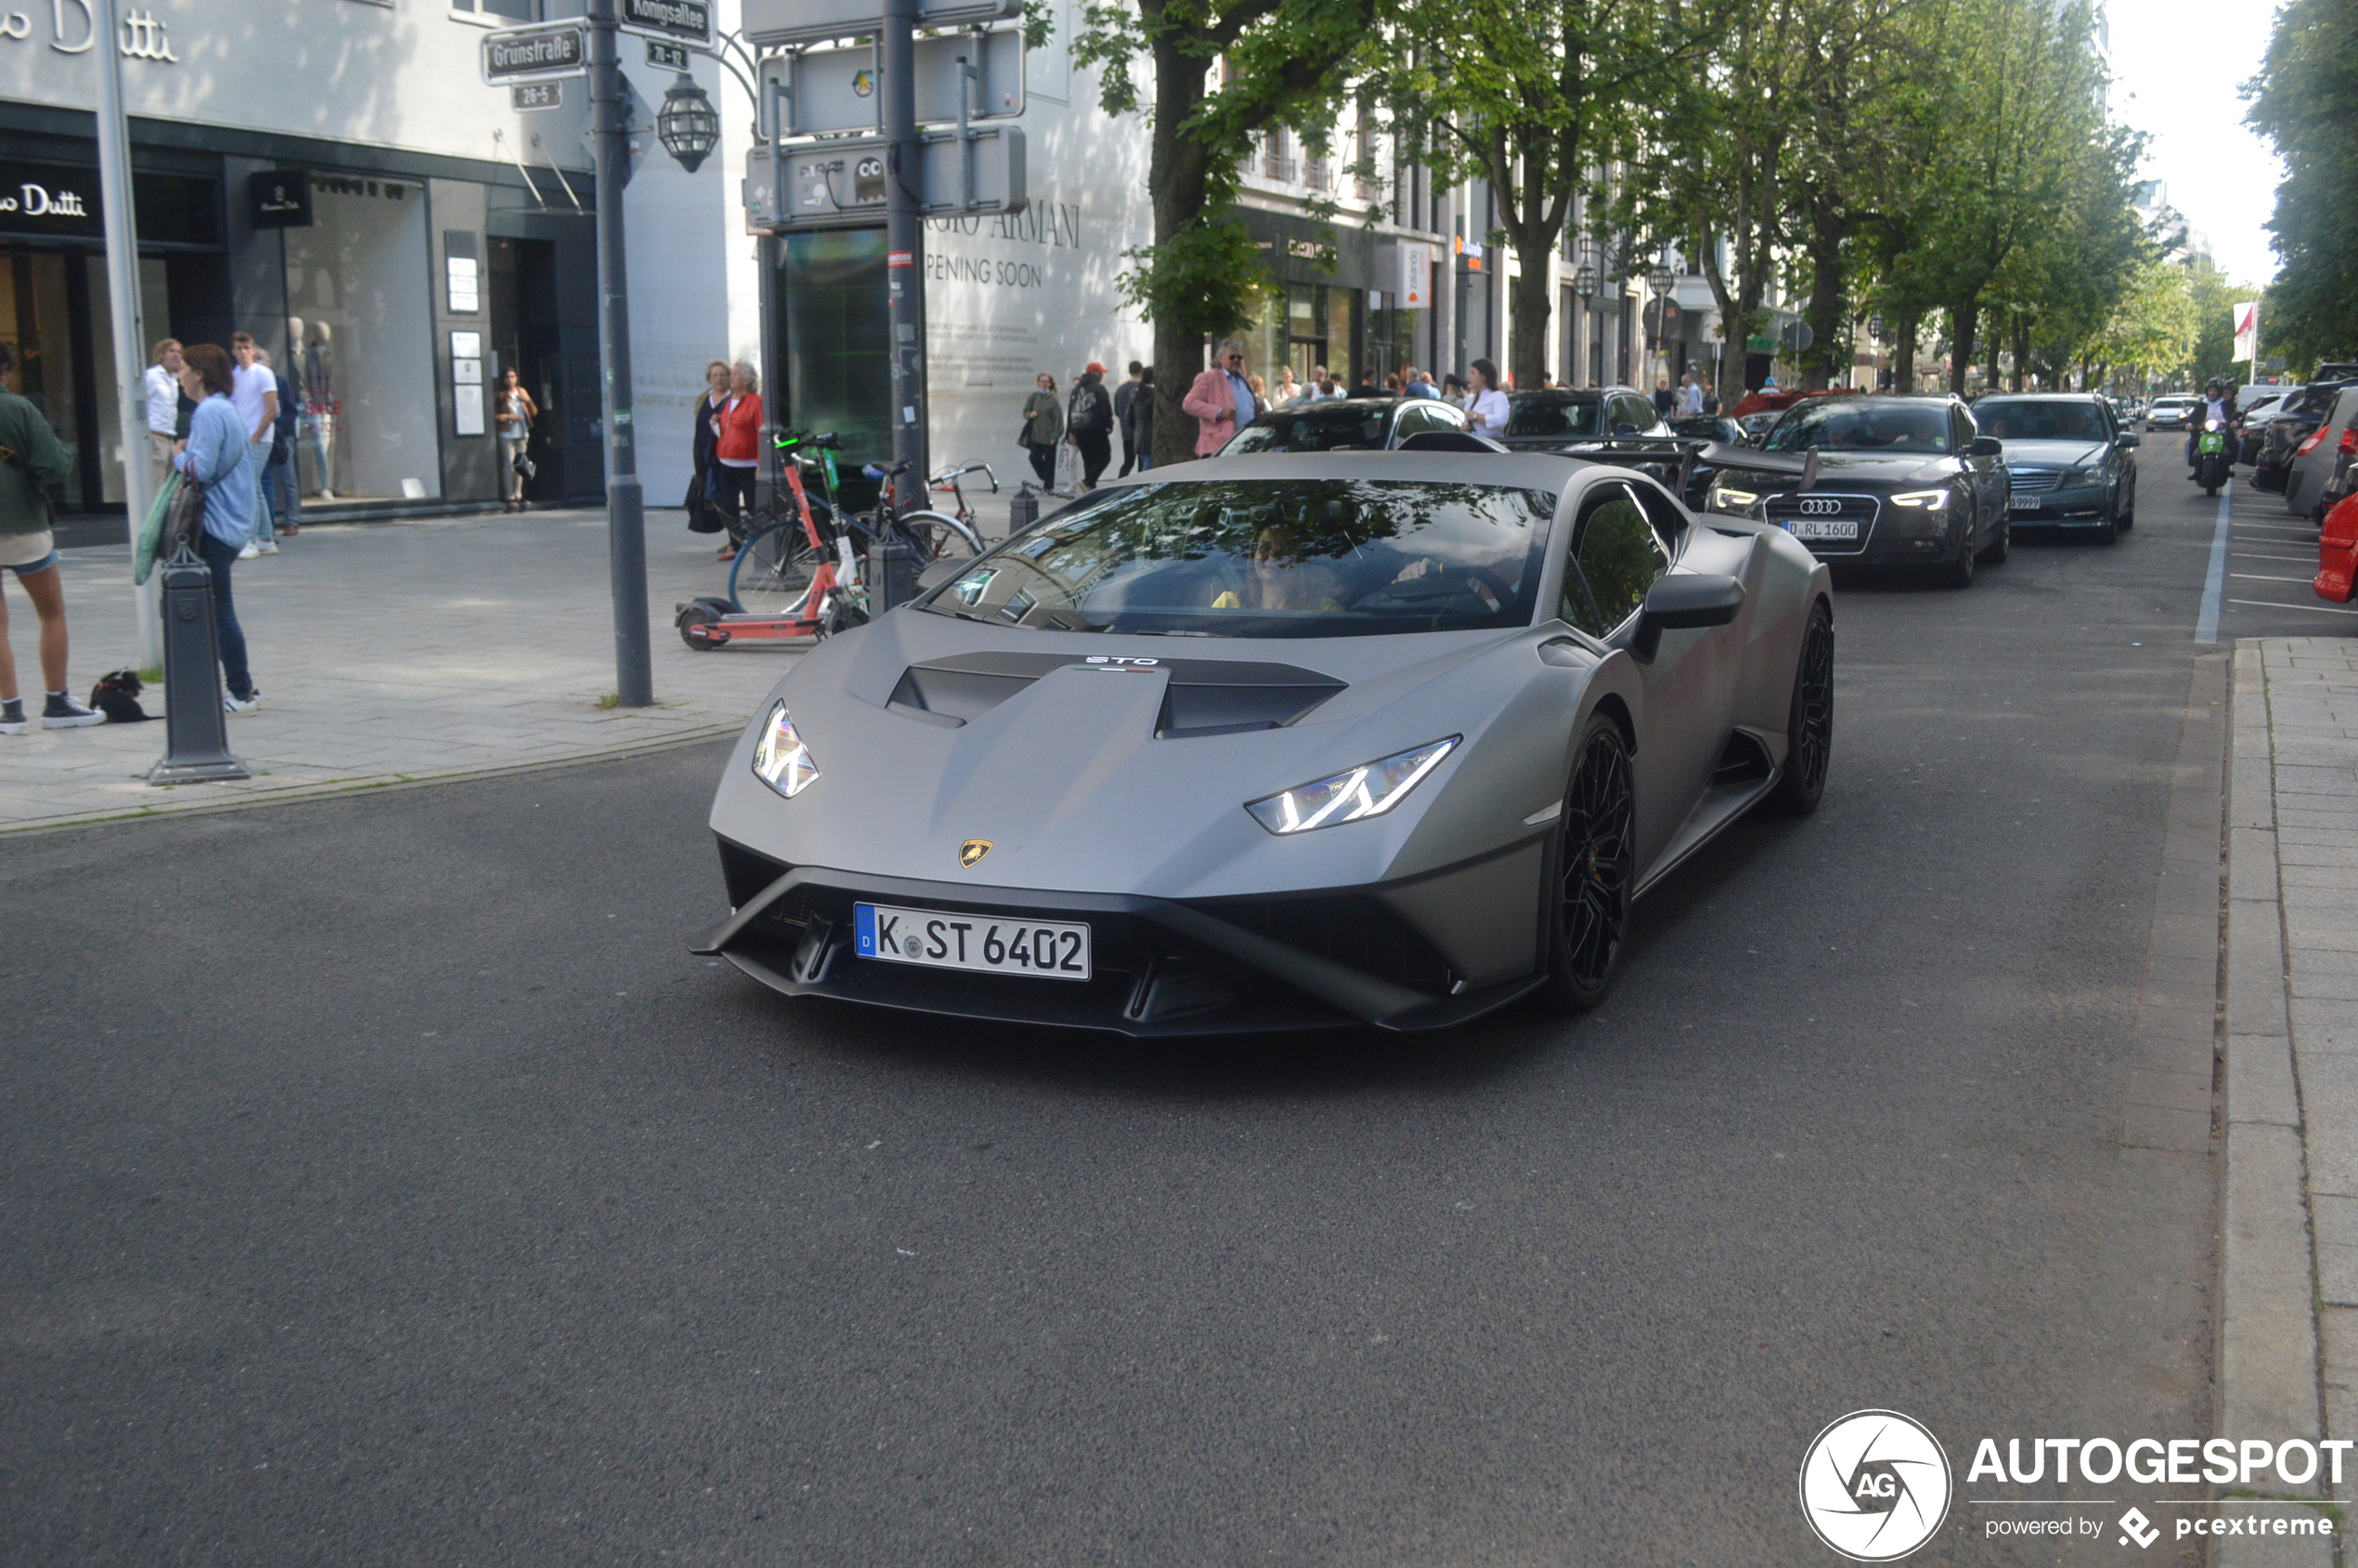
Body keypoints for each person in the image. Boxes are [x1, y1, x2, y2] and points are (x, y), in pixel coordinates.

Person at [0, 342, 102, 734]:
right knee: (51, 612)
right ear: (6, 369)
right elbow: (54, 464)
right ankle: (56, 703)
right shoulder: (20, 408)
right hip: (24, 524)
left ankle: (10, 712)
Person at [173, 343, 261, 713]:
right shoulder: (225, 409)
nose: (178, 376)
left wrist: (179, 453)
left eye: (182, 369)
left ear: (199, 374)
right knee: (217, 606)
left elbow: (199, 470)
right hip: (232, 520)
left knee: (219, 608)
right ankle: (237, 689)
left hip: (215, 523)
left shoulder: (209, 411)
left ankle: (241, 692)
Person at [228, 332, 279, 558]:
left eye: (246, 347)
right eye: (238, 348)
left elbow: (271, 408)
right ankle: (266, 538)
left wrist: (257, 435)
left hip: (259, 439)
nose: (243, 352)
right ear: (233, 351)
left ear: (253, 350)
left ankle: (248, 540)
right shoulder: (234, 375)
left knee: (247, 487)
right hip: (242, 438)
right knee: (255, 487)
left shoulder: (263, 373)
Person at [710, 361, 762, 560]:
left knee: (754, 508)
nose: (730, 378)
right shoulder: (728, 400)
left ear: (747, 379)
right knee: (727, 506)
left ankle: (760, 543)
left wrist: (760, 462)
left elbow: (761, 432)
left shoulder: (755, 401)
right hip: (726, 462)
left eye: (734, 374)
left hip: (748, 465)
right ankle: (736, 545)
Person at [1183, 340, 1261, 456]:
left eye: (1239, 357)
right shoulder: (1209, 378)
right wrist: (1219, 412)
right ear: (1220, 358)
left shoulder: (1243, 379)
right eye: (1232, 357)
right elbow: (1189, 404)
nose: (1236, 360)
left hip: (1245, 444)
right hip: (1218, 447)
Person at [255, 347, 301, 538]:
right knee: (264, 481)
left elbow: (291, 410)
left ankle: (292, 520)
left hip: (281, 436)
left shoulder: (279, 381)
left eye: (260, 358)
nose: (256, 361)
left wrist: (280, 429)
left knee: (287, 479)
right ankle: (268, 524)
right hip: (262, 435)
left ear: (269, 362)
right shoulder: (250, 382)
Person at [687, 358, 729, 532]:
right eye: (714, 375)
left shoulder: (732, 399)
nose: (718, 379)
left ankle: (735, 541)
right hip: (704, 455)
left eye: (722, 375)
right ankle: (725, 535)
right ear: (709, 378)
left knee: (726, 498)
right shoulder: (704, 398)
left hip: (724, 455)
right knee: (708, 494)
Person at [495, 366, 539, 512]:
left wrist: (528, 400)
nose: (510, 380)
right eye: (507, 377)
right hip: (507, 432)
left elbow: (533, 412)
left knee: (520, 464)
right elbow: (494, 415)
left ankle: (518, 494)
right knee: (509, 464)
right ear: (503, 379)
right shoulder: (499, 394)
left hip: (522, 431)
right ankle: (509, 495)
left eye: (513, 376)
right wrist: (509, 417)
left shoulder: (521, 392)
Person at [142, 339, 183, 496]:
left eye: (179, 352)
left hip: (169, 437)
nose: (177, 355)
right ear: (161, 355)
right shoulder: (152, 376)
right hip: (156, 436)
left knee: (168, 489)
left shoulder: (173, 379)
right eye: (172, 351)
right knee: (156, 487)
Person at [1066, 362, 1115, 490]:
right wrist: (1109, 425)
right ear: (1095, 373)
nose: (1102, 375)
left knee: (1089, 460)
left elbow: (1071, 410)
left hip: (1078, 429)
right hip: (1095, 428)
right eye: (1101, 372)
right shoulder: (1099, 388)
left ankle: (1089, 488)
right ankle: (1088, 481)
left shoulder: (1076, 389)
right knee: (1104, 457)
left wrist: (1070, 432)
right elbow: (1106, 409)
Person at [2188, 377, 2236, 476]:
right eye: (2210, 390)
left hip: (2222, 432)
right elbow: (2193, 418)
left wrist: (2234, 422)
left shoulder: (2226, 404)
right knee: (2192, 443)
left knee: (2233, 443)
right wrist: (2190, 424)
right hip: (2204, 432)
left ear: (2219, 392)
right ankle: (2196, 470)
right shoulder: (2202, 404)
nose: (2212, 393)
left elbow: (2233, 416)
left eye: (2215, 390)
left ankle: (2227, 468)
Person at [1020, 372, 1063, 485]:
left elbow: (1058, 419)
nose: (1044, 384)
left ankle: (1048, 486)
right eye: (1042, 381)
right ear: (1038, 383)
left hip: (1049, 436)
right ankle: (1045, 476)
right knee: (1034, 457)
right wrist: (1030, 414)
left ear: (1050, 383)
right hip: (1036, 435)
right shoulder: (1034, 397)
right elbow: (1025, 412)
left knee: (1049, 462)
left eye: (1046, 382)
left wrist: (1055, 435)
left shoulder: (1053, 399)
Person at [1114, 361, 1146, 477]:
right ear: (1141, 371)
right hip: (1142, 432)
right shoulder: (1144, 389)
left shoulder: (1120, 390)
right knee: (1142, 463)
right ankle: (1141, 486)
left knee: (1128, 462)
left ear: (1129, 371)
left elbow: (1117, 411)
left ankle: (1118, 484)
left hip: (1126, 432)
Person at [1465, 358, 1509, 437]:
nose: (1469, 377)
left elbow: (1501, 420)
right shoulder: (1471, 400)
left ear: (1483, 377)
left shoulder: (1498, 396)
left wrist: (1476, 416)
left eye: (1473, 373)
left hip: (1492, 445)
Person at [1127, 368, 1156, 473]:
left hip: (1139, 434)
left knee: (1144, 464)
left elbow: (1129, 417)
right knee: (1148, 468)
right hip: (1151, 435)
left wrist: (1136, 429)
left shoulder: (1135, 393)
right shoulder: (1154, 394)